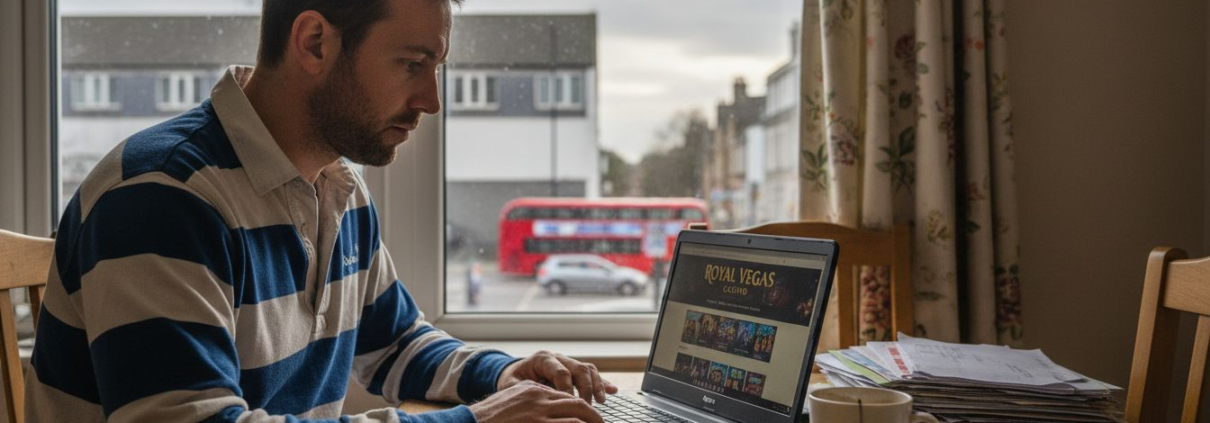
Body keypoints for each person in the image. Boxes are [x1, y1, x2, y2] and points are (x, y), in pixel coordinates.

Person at [25, 0, 617, 422]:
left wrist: (507, 375)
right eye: (413, 64)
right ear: (314, 42)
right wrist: (477, 421)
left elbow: (394, 344)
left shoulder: (338, 186)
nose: (431, 101)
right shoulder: (161, 195)